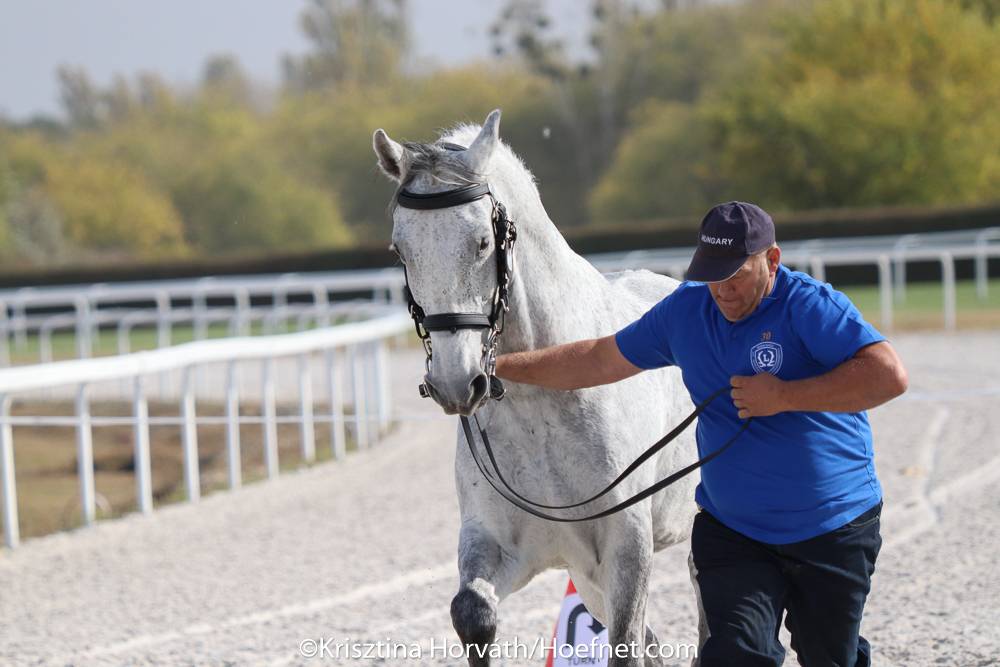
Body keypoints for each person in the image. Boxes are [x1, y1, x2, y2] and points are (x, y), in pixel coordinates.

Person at [494, 201, 908, 666]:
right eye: (712, 275)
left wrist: (785, 395)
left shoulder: (810, 306)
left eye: (735, 275)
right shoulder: (687, 311)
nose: (722, 290)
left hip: (832, 527)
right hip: (736, 533)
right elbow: (597, 358)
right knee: (733, 656)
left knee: (830, 657)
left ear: (772, 259)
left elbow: (889, 375)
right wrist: (496, 366)